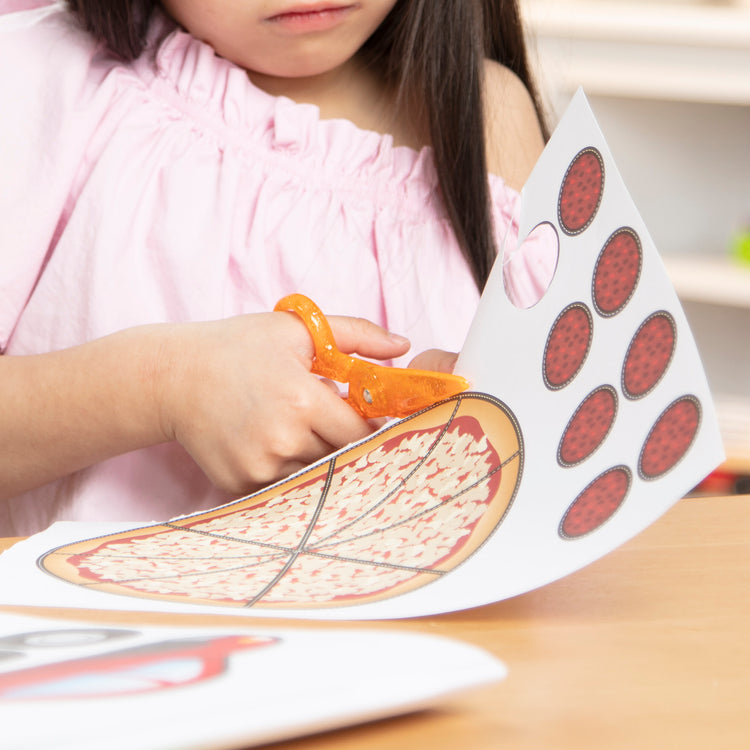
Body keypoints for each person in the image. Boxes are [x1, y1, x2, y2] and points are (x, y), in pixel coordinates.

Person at [0, 0, 550, 535]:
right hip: (105, 621)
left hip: (418, 626)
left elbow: (548, 454)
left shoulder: (487, 115)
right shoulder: (45, 79)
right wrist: (165, 383)